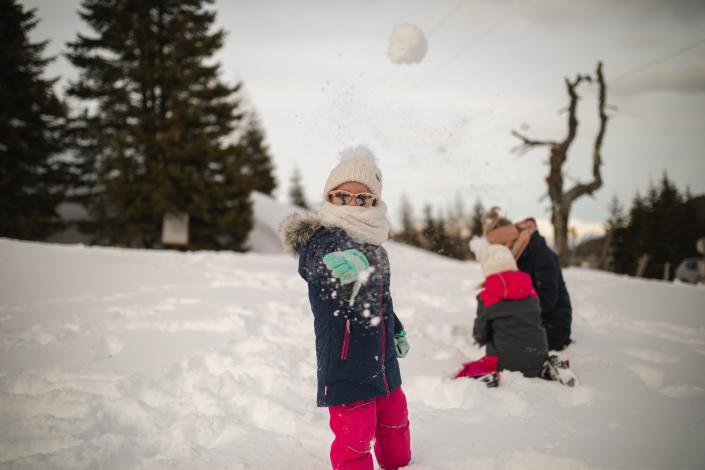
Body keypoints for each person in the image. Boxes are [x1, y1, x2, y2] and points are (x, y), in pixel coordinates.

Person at [280, 146, 411, 470]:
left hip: (383, 361)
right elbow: (316, 264)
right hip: (346, 360)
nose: (352, 203)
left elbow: (381, 298)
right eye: (342, 196)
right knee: (355, 438)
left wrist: (394, 327)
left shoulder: (376, 248)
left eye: (362, 198)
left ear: (375, 202)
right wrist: (342, 263)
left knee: (395, 421)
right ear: (330, 198)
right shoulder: (322, 239)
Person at [455, 238, 577, 387]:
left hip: (504, 363)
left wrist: (481, 337)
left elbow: (481, 332)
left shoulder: (487, 297)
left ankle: (487, 375)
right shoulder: (531, 290)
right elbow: (535, 315)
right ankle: (548, 367)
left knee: (472, 368)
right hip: (537, 356)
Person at [484, 209, 573, 351]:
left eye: (502, 245)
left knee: (507, 344)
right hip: (531, 321)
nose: (502, 251)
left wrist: (512, 314)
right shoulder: (515, 257)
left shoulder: (542, 255)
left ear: (511, 239)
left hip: (552, 326)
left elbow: (547, 301)